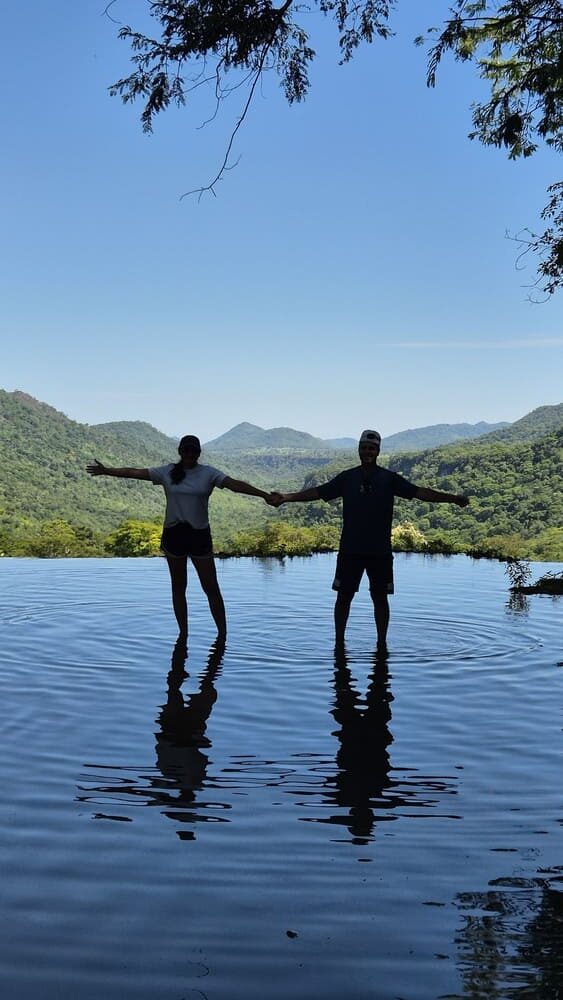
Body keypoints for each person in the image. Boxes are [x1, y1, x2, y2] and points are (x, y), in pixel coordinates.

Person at [271, 429, 469, 652]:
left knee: (380, 598)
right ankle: (339, 642)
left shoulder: (389, 479)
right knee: (344, 597)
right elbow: (318, 492)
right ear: (358, 450)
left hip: (379, 551)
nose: (367, 452)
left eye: (371, 448)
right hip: (351, 549)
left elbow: (420, 492)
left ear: (378, 451)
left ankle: (382, 644)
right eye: (364, 448)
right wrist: (287, 497)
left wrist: (452, 499)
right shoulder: (347, 478)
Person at [87, 434, 275, 640]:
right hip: (174, 534)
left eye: (193, 450)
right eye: (186, 450)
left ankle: (223, 635)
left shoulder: (208, 473)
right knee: (178, 587)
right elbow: (135, 473)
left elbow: (236, 485)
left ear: (199, 453)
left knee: (211, 587)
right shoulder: (167, 472)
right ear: (180, 451)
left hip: (199, 535)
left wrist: (264, 494)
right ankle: (183, 634)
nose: (189, 454)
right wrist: (107, 471)